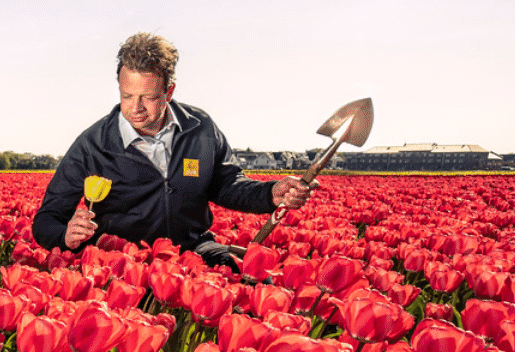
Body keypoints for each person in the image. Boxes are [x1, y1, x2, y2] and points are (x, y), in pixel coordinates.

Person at [31, 32, 312, 270]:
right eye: (127, 96)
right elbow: (46, 219)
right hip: (123, 261)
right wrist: (64, 236)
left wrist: (269, 193)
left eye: (148, 97)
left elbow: (226, 185)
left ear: (170, 91)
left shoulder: (199, 128)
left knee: (246, 276)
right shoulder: (94, 144)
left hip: (192, 248)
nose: (135, 108)